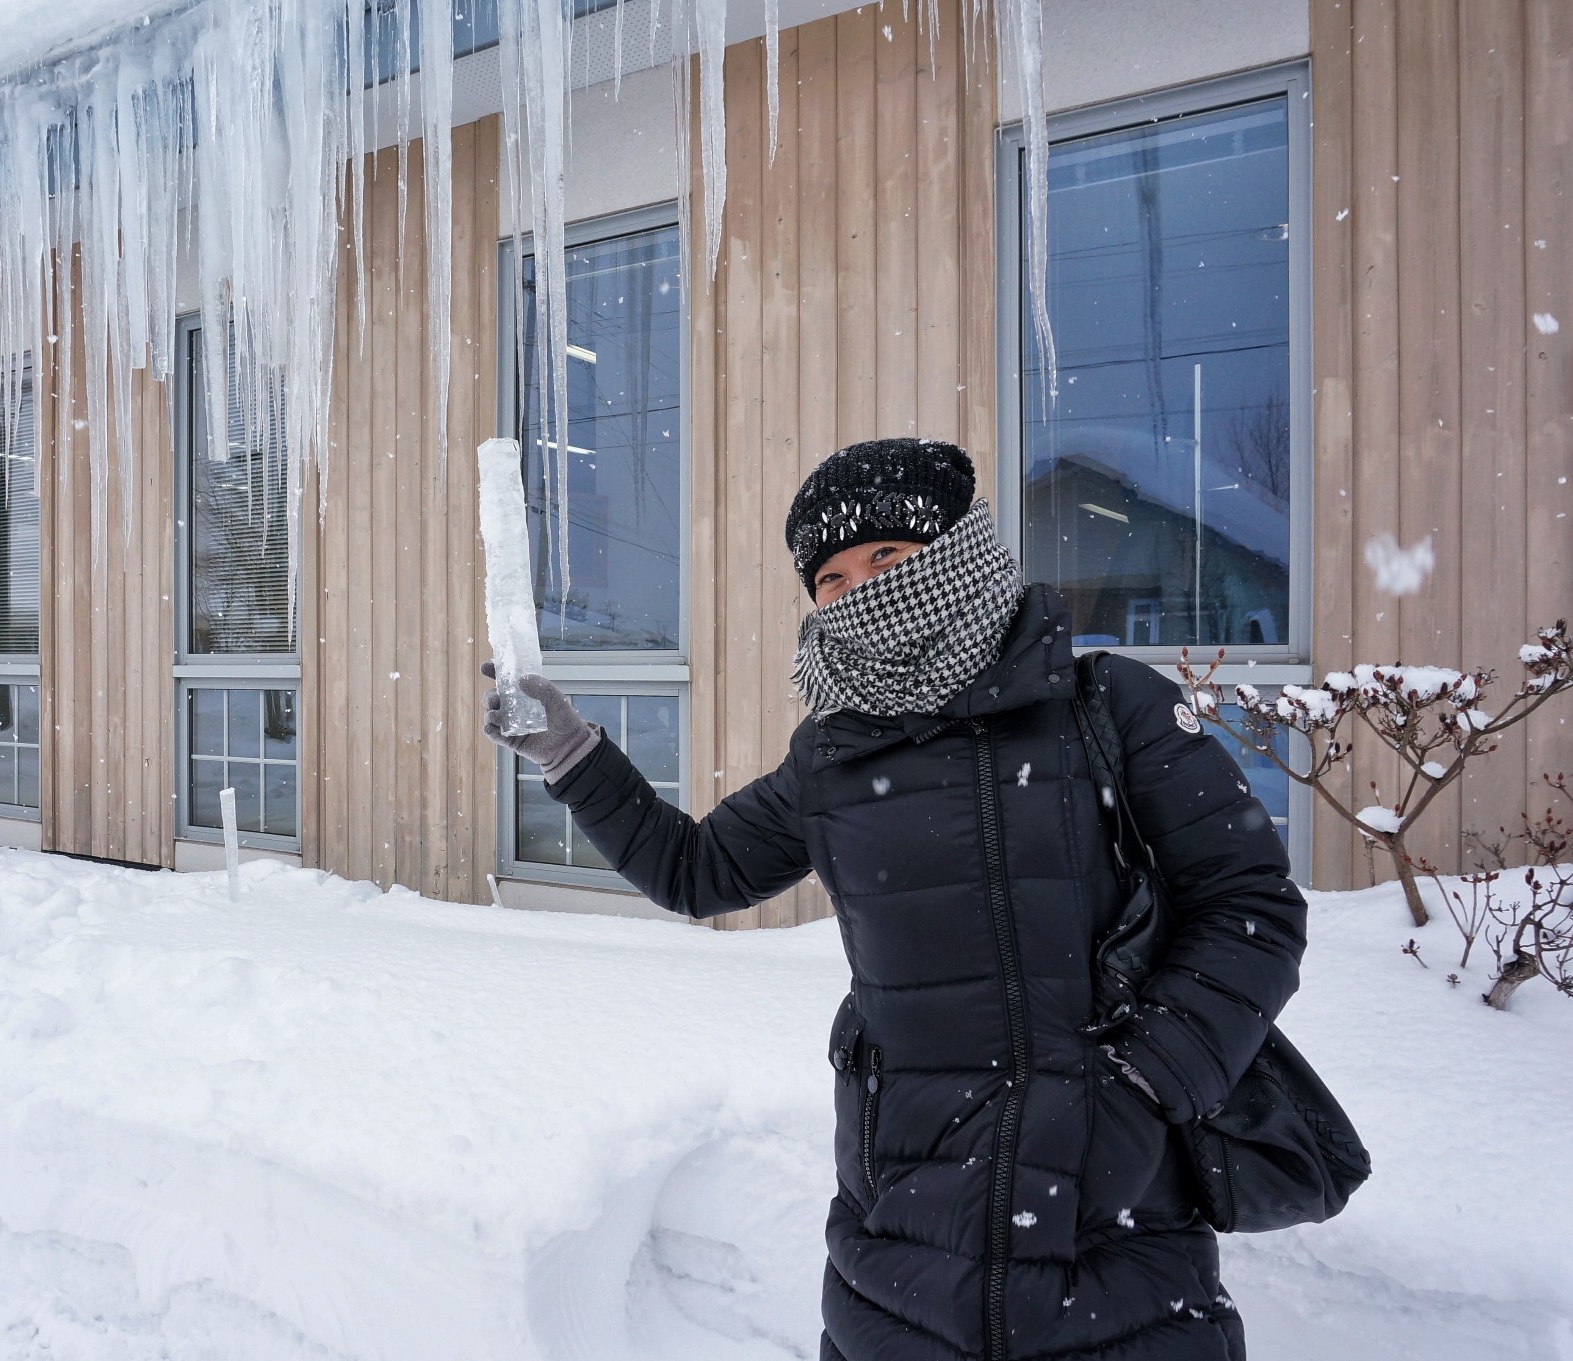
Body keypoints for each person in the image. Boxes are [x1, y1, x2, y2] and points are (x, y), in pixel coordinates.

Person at [482, 438, 1305, 1361]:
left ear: (959, 548)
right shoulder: (831, 754)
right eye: (829, 578)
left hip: (1118, 1230)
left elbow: (1249, 906)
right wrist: (572, 756)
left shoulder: (1106, 707)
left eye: (887, 558)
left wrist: (1149, 1084)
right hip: (902, 1237)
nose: (857, 591)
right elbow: (699, 869)